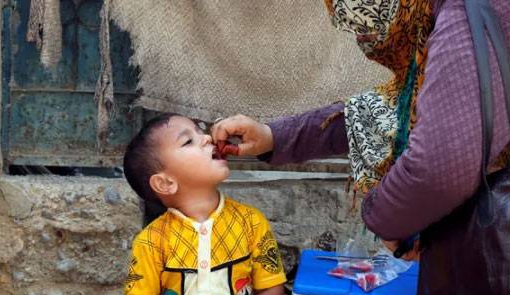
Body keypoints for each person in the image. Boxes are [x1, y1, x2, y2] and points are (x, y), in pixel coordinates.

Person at [211, 0, 510, 260]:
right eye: (354, 30)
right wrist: (273, 136)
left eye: (369, 27)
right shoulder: (431, 35)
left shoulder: (472, 14)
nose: (367, 45)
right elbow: (381, 112)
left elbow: (439, 167)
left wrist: (386, 219)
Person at [122, 113, 286, 295]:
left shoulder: (251, 224)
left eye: (200, 132)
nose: (207, 137)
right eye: (188, 140)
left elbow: (271, 288)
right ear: (165, 183)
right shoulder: (151, 241)